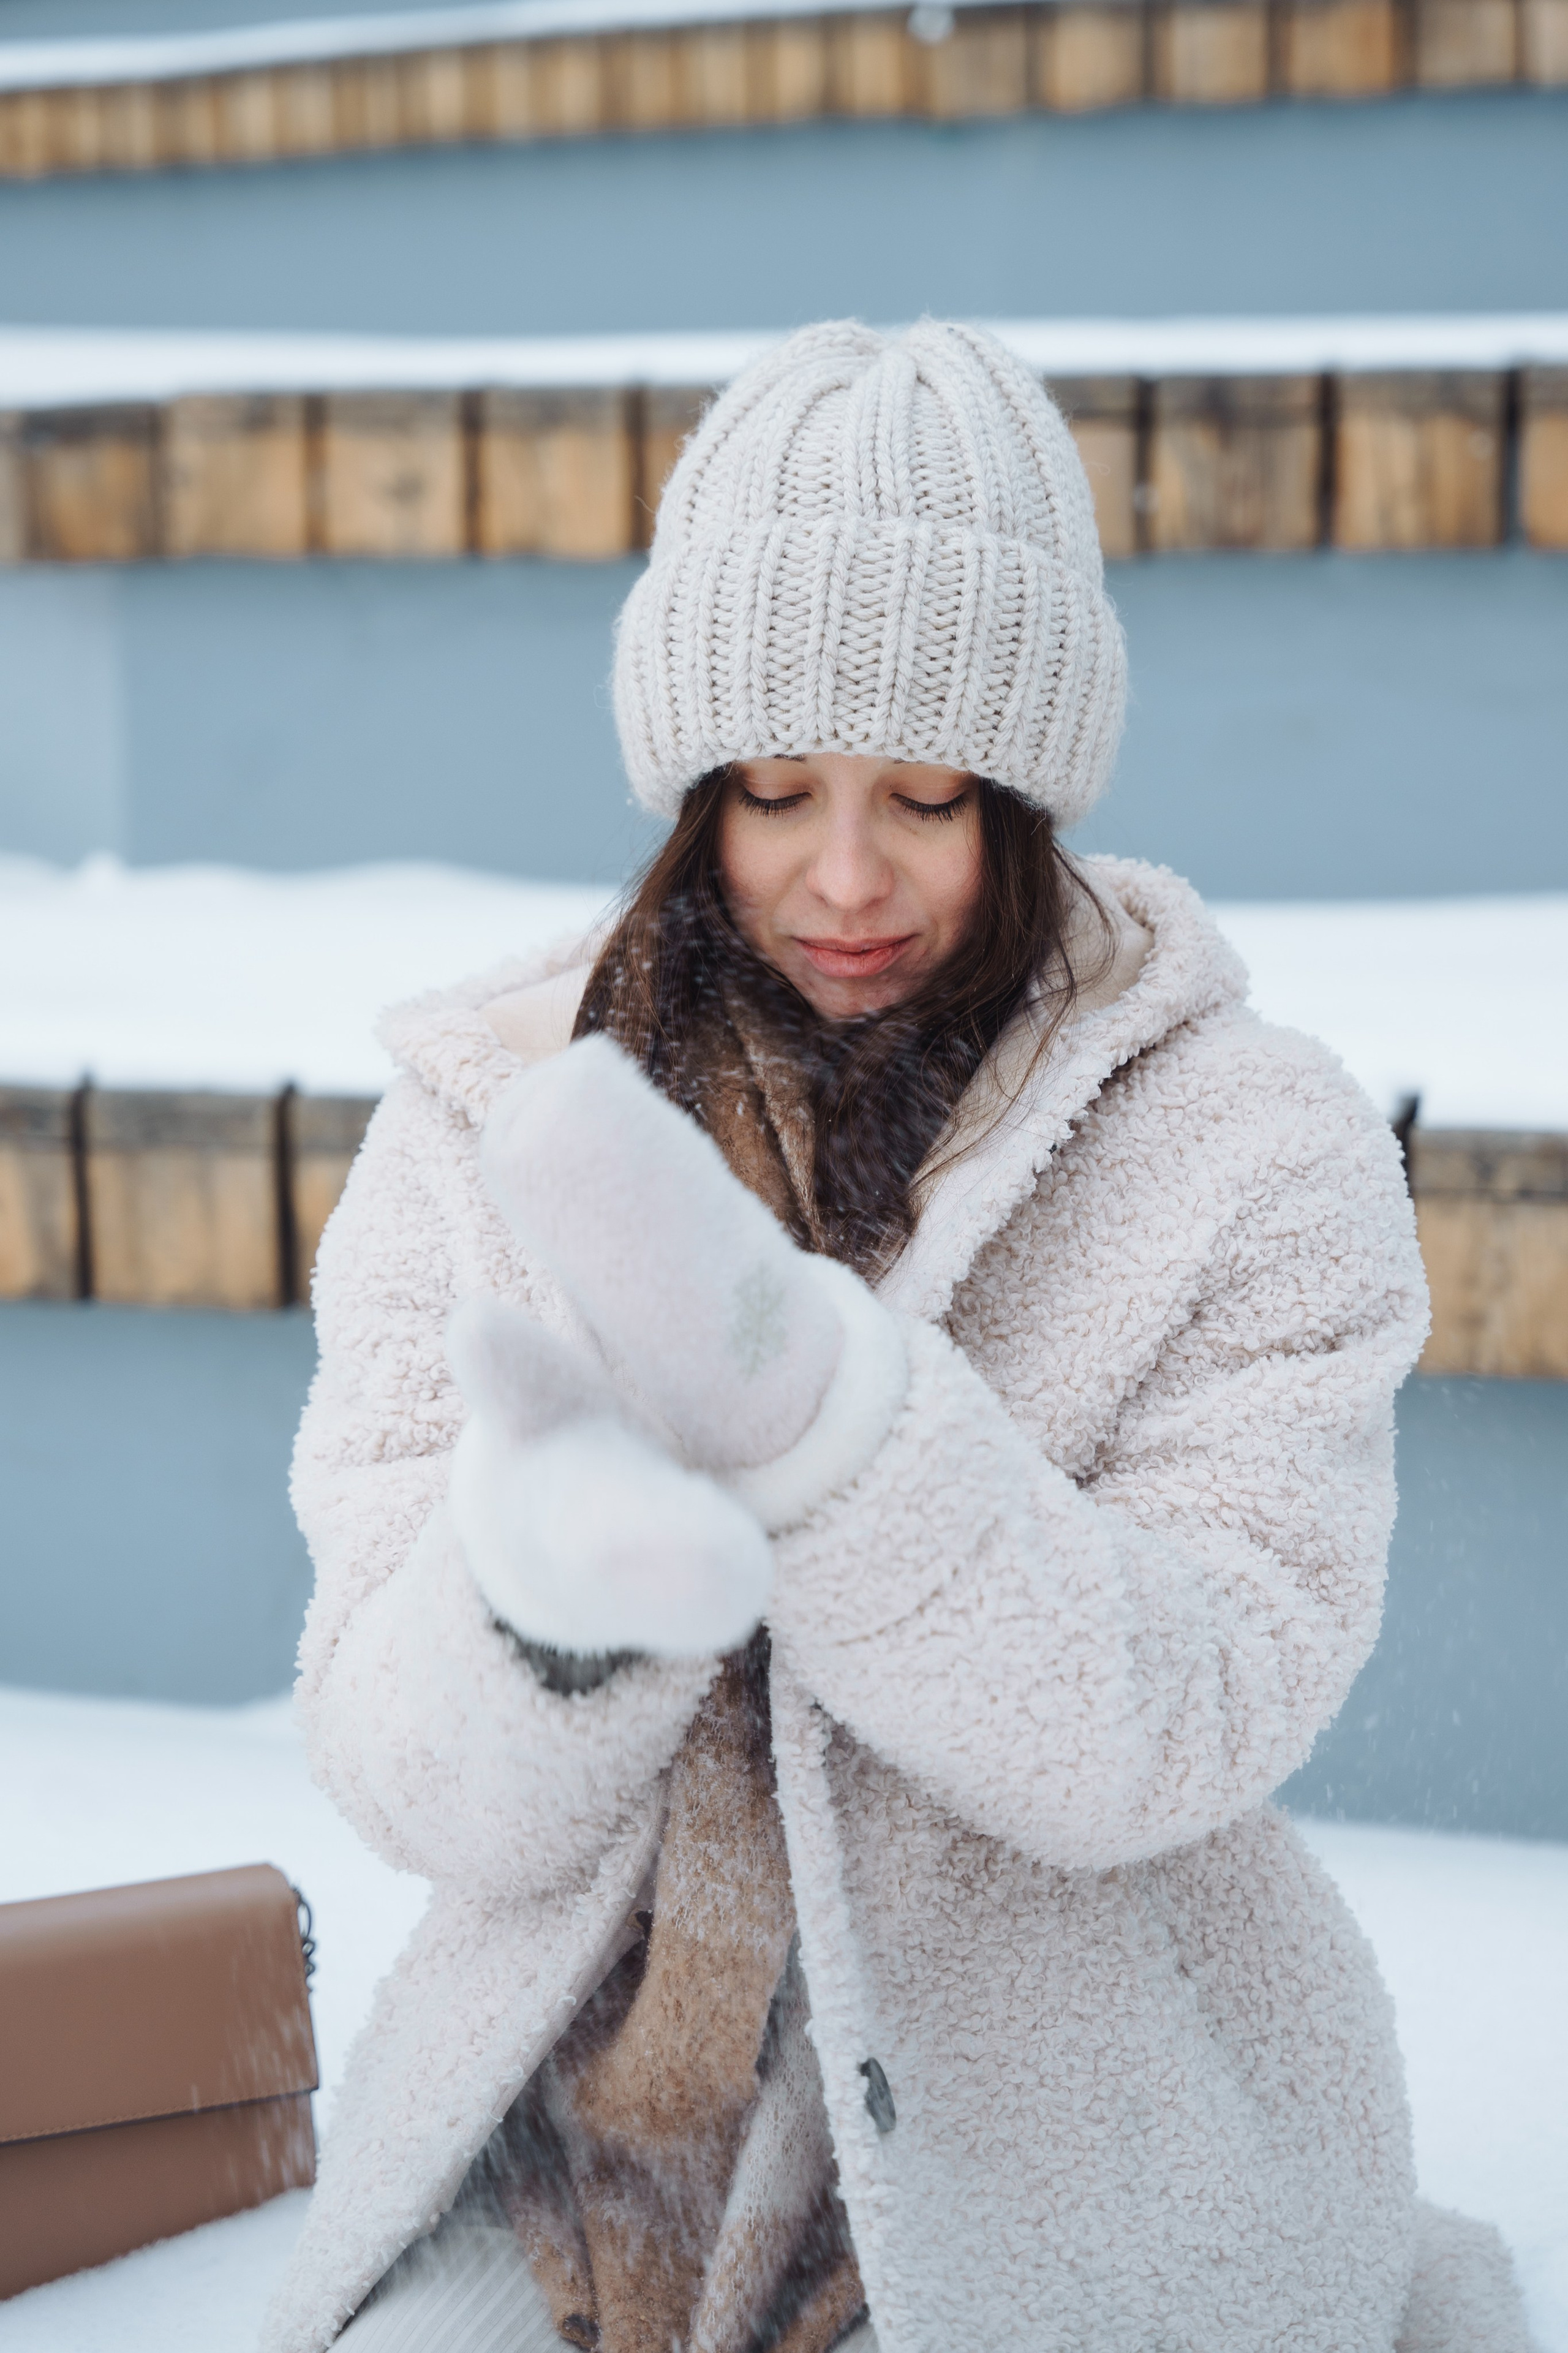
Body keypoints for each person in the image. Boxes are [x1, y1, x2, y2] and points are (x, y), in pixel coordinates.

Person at [262, 320, 1537, 2353]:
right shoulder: (501, 1120)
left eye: (925, 796)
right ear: (695, 793)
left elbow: (1188, 1706)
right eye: (775, 792)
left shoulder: (1252, 1149)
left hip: (1068, 2150)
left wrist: (835, 1442)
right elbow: (401, 1764)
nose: (841, 878)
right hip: (591, 2152)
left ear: (1023, 796)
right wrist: (543, 1605)